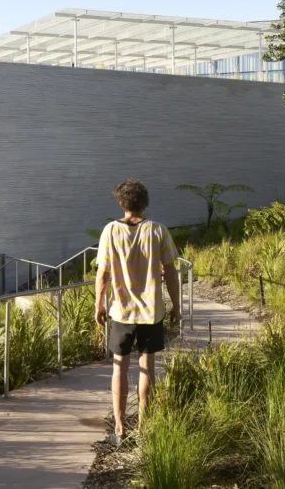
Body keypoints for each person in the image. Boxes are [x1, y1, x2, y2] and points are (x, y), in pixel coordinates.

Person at [95, 178, 181, 446]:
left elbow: (103, 273)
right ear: (145, 203)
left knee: (119, 367)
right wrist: (176, 305)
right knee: (147, 368)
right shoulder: (158, 231)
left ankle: (120, 428)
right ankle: (144, 429)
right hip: (151, 312)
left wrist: (99, 304)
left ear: (121, 203)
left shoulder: (110, 231)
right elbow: (171, 272)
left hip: (121, 312)